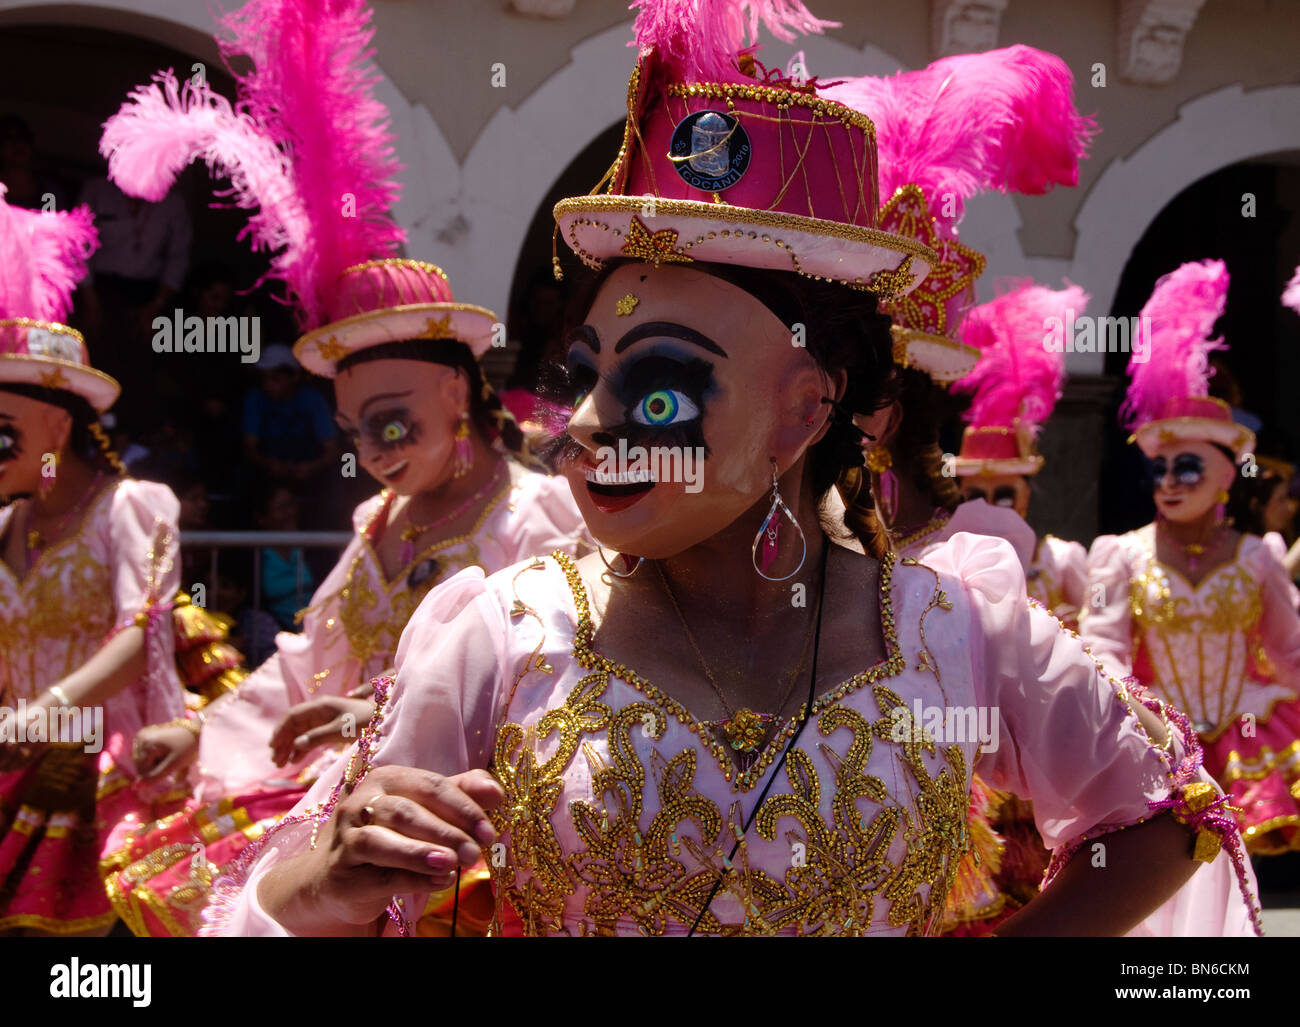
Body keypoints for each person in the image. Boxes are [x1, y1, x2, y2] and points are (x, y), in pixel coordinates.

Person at [213, 0, 1257, 937]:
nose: (582, 426)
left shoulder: (960, 633)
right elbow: (303, 910)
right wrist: (320, 889)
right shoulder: (500, 635)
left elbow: (1160, 816)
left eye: (657, 391)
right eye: (581, 377)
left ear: (804, 410)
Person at [98, 0, 589, 936]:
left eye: (393, 423)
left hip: (460, 843)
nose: (371, 455)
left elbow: (560, 691)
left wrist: (371, 709)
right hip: (339, 826)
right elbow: (298, 670)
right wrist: (198, 728)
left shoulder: (537, 520)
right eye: (354, 432)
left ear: (460, 395)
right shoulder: (381, 525)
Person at [0, 187, 187, 935]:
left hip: (109, 776)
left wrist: (49, 711)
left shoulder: (132, 509)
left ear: (55, 423)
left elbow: (141, 631)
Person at [1081, 259, 1300, 857]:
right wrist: (1155, 735)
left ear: (1226, 476)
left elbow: (1288, 653)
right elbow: (1104, 657)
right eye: (1160, 469)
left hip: (1245, 742)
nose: (1170, 481)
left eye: (1188, 467)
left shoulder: (1259, 557)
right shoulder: (1119, 556)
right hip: (1156, 748)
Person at [951, 282, 1090, 631]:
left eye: (1004, 496)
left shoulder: (1061, 563)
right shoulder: (940, 568)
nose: (989, 510)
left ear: (1026, 494)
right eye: (976, 497)